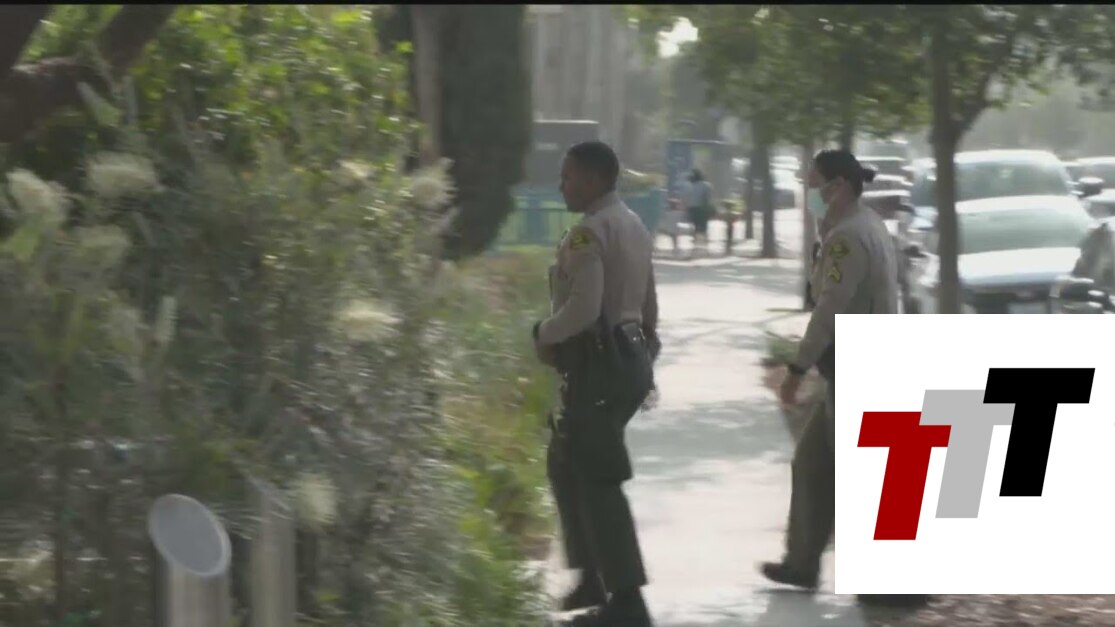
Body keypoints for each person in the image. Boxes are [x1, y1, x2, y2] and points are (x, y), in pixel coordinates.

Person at [760, 149, 898, 591]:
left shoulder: (847, 238)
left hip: (859, 366)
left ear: (838, 187)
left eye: (815, 186)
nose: (810, 195)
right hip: (860, 364)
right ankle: (801, 563)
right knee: (811, 463)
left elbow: (829, 310)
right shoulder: (865, 225)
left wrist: (797, 369)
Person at [534, 141, 659, 627]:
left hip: (601, 363)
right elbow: (649, 303)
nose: (561, 185)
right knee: (566, 462)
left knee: (598, 477)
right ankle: (591, 576)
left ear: (592, 179)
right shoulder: (632, 223)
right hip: (625, 357)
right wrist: (644, 358)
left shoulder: (590, 232)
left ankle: (627, 601)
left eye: (567, 176)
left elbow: (585, 308)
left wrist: (543, 333)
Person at [684, 169, 714, 257]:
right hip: (702, 208)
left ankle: (695, 246)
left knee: (695, 227)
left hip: (692, 208)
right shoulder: (706, 185)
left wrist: (686, 208)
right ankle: (705, 246)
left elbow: (687, 197)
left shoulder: (690, 186)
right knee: (704, 227)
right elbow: (707, 197)